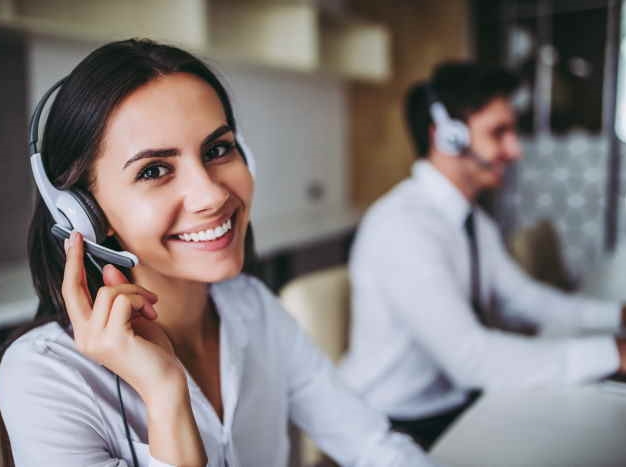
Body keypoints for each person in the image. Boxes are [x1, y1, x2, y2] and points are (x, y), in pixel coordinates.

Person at [0, 39, 437, 467]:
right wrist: (165, 394)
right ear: (85, 212)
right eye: (154, 170)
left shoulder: (254, 309)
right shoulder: (45, 379)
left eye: (217, 149)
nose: (210, 194)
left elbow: (372, 445)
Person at [339, 61, 626, 449]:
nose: (515, 150)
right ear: (448, 137)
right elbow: (473, 358)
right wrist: (611, 355)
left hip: (453, 403)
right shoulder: (404, 227)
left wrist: (616, 317)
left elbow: (524, 300)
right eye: (498, 132)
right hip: (395, 424)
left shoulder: (471, 219)